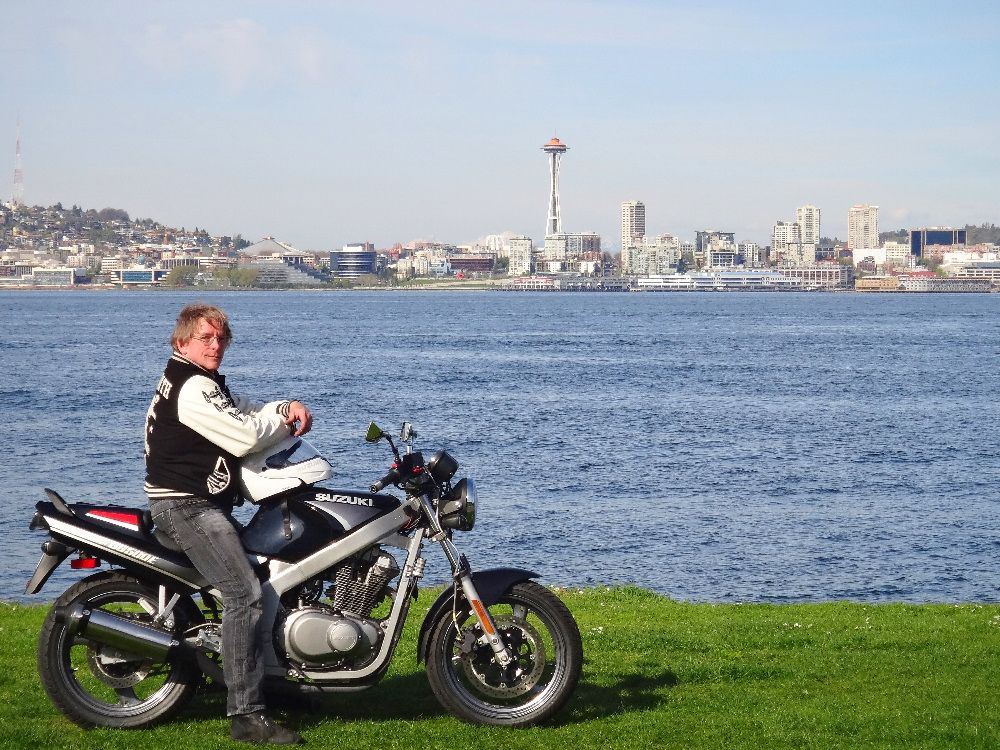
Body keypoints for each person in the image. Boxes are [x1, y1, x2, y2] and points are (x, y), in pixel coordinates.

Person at [144, 302, 312, 745]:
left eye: (221, 338)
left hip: (197, 503)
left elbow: (243, 409)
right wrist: (284, 422)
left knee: (265, 576)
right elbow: (245, 435)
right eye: (206, 338)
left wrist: (284, 405)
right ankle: (246, 715)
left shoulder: (201, 381)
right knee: (245, 595)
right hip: (186, 507)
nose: (215, 345)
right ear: (182, 342)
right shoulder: (192, 387)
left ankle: (273, 681)